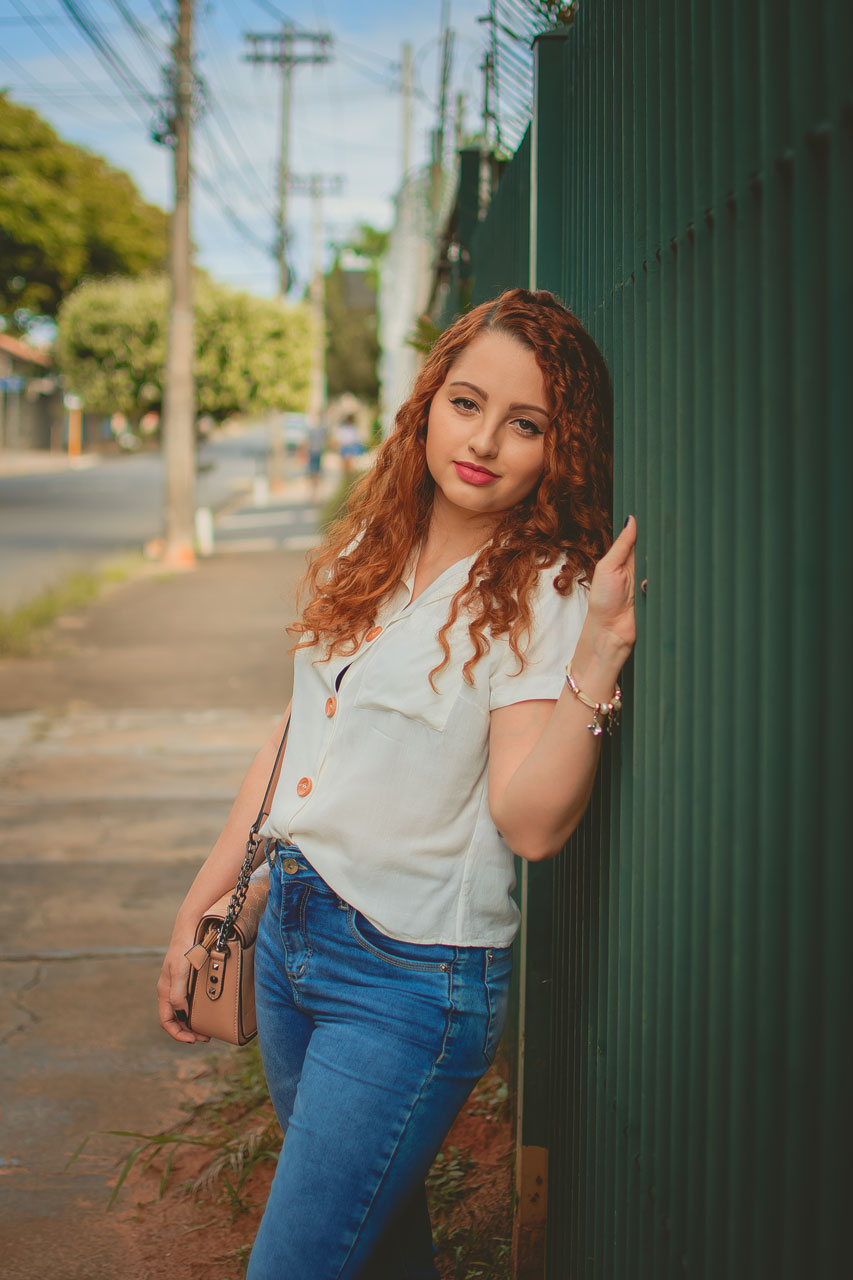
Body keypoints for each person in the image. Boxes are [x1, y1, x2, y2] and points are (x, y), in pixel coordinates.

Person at [158, 288, 637, 1279]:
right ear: (427, 402)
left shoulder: (543, 589)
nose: (485, 441)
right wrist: (208, 898)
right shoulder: (368, 547)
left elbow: (531, 821)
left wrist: (595, 652)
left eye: (526, 423)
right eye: (466, 403)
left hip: (408, 980)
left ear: (559, 448)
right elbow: (295, 736)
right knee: (374, 1252)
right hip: (290, 934)